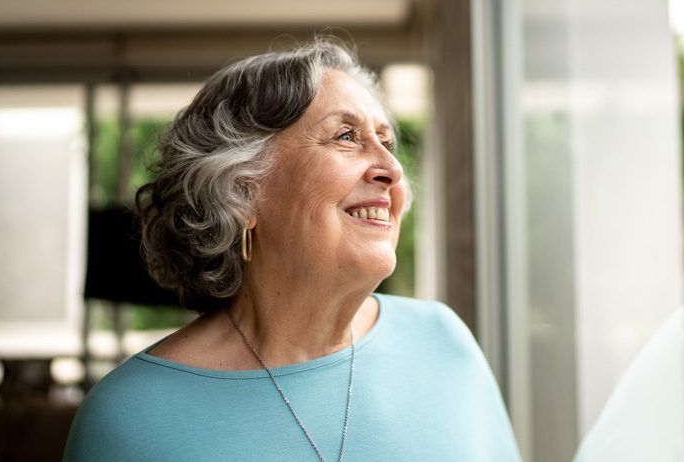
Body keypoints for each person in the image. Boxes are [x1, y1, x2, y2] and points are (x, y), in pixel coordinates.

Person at [63, 39, 521, 461]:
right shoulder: (130, 419)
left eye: (387, 142)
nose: (392, 169)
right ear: (241, 191)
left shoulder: (443, 341)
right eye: (346, 137)